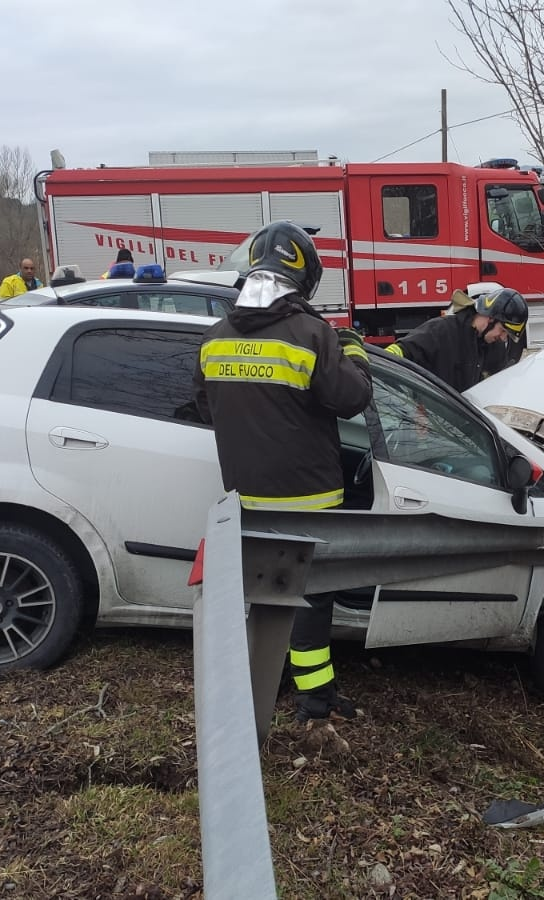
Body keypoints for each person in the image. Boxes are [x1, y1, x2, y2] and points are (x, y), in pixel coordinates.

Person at [194, 221, 373, 724]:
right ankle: (314, 703)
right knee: (310, 608)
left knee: (262, 601)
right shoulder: (314, 334)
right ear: (305, 277)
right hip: (311, 502)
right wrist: (353, 348)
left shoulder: (214, 339)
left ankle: (264, 690)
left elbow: (208, 408)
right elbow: (353, 398)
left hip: (246, 501)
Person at [385, 283, 528, 392]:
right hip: (433, 420)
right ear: (490, 318)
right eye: (503, 330)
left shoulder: (494, 349)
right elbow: (399, 353)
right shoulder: (442, 331)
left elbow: (496, 388)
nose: (503, 338)